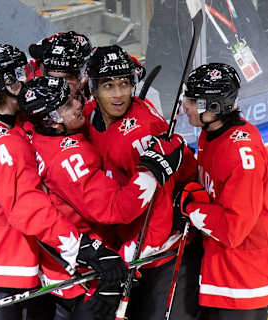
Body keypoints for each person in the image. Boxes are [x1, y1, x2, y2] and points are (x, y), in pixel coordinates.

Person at [0, 44, 127, 320]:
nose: (30, 77)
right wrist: (80, 246)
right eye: (22, 73)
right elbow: (27, 207)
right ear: (10, 85)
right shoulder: (7, 146)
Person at [17, 75, 185, 320]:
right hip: (91, 272)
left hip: (63, 267)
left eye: (73, 98)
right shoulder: (68, 160)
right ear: (51, 121)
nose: (78, 105)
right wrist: (152, 171)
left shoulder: (32, 131)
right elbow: (117, 209)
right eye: (67, 105)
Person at [83, 44, 199, 319]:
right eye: (109, 85)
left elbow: (159, 207)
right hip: (132, 244)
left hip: (164, 252)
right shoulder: (90, 114)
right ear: (94, 89)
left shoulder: (139, 134)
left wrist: (132, 256)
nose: (119, 94)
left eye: (124, 84)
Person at [178, 62, 268, 320]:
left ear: (215, 106)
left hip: (248, 271)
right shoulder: (211, 133)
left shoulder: (240, 154)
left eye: (194, 100)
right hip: (227, 263)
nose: (186, 105)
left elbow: (233, 228)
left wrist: (188, 206)